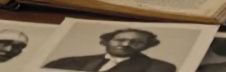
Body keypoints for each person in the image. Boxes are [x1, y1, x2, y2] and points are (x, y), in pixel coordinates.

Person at [46, 29, 175, 72]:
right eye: (120, 40)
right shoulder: (68, 62)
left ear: (146, 46)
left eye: (136, 42)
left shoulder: (160, 68)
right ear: (106, 41)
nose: (126, 44)